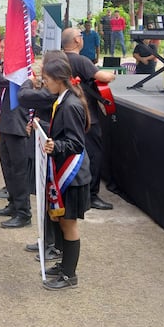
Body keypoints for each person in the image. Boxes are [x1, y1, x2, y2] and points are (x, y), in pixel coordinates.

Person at [40, 54, 92, 290]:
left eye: (47, 79)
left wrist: (56, 146)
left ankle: (70, 274)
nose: (44, 83)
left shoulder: (70, 105)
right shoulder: (64, 99)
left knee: (69, 224)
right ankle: (64, 265)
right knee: (61, 220)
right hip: (66, 171)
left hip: (73, 175)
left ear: (59, 79)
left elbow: (76, 143)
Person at [60, 28, 115, 210]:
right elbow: (103, 76)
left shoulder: (58, 59)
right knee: (94, 153)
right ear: (77, 40)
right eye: (80, 36)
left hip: (64, 111)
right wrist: (112, 74)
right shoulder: (81, 60)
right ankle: (91, 194)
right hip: (86, 114)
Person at [0, 51, 31, 229]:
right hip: (7, 126)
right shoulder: (14, 72)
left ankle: (23, 212)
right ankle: (13, 204)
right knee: (8, 169)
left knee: (19, 172)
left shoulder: (23, 73)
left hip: (17, 128)